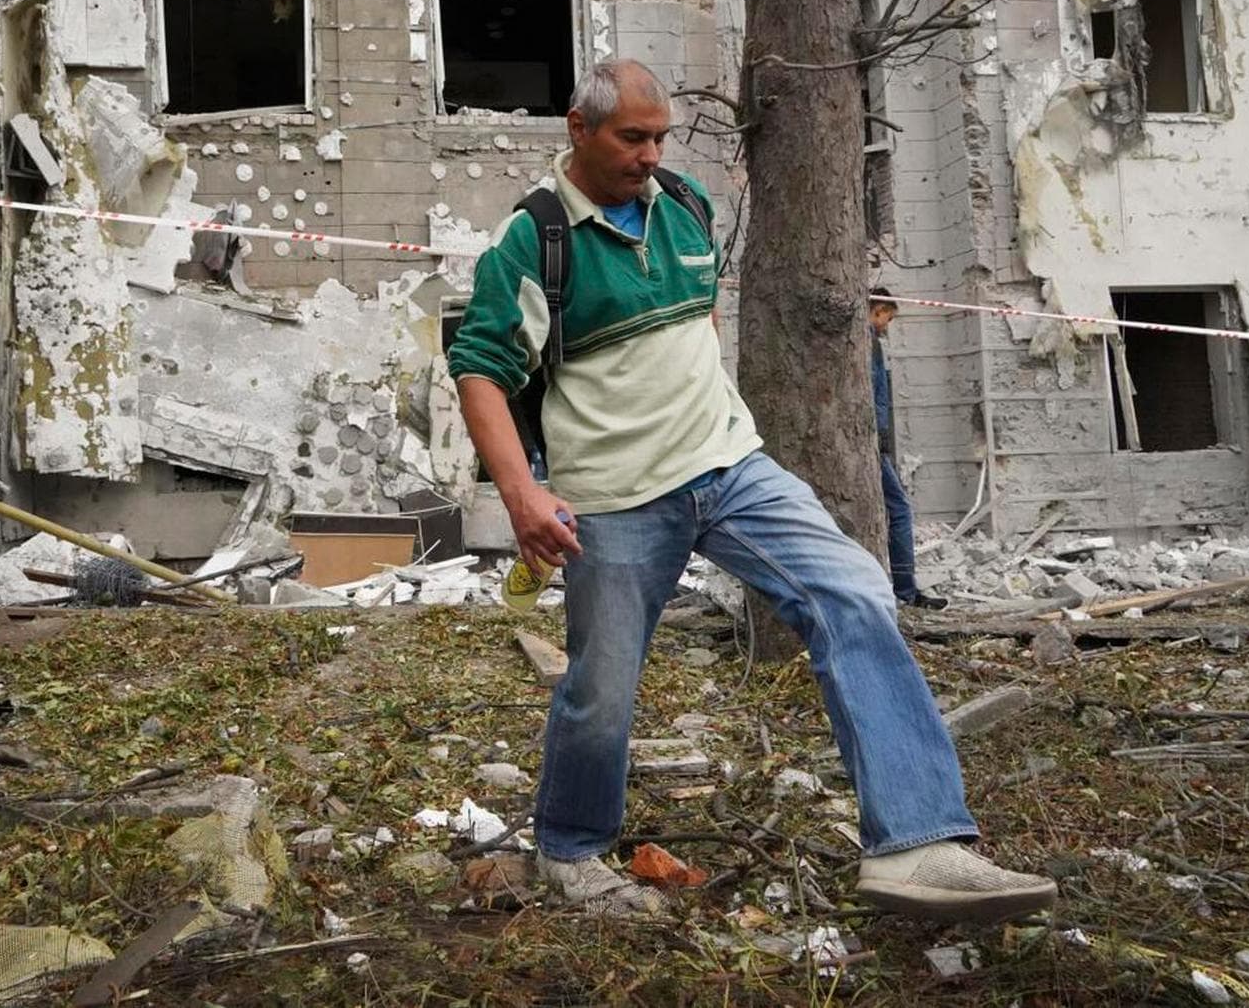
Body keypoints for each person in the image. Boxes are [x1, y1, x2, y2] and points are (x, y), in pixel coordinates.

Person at [447, 59, 1056, 920]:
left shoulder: (687, 204)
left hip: (732, 469)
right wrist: (522, 494)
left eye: (660, 136)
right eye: (632, 137)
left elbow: (697, 318)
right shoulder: (536, 238)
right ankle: (571, 848)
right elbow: (479, 367)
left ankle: (918, 845)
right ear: (579, 131)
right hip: (616, 499)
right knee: (603, 683)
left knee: (852, 590)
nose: (651, 153)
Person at [871, 289, 947, 610]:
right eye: (888, 316)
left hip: (871, 441)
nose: (888, 325)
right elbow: (874, 396)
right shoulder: (866, 342)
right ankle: (905, 590)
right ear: (878, 309)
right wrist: (881, 439)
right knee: (900, 509)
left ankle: (901, 588)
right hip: (871, 443)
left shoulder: (866, 343)